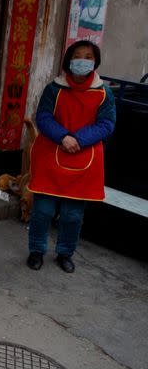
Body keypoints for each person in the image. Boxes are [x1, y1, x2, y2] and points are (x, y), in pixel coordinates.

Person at [27, 40, 116, 273]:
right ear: (69, 59)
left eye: (88, 56)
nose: (83, 61)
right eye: (78, 56)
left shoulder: (104, 93)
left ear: (95, 61)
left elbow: (107, 124)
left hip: (84, 160)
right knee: (43, 210)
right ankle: (36, 250)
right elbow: (44, 117)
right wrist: (63, 136)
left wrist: (79, 139)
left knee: (72, 214)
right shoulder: (54, 89)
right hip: (51, 155)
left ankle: (65, 253)